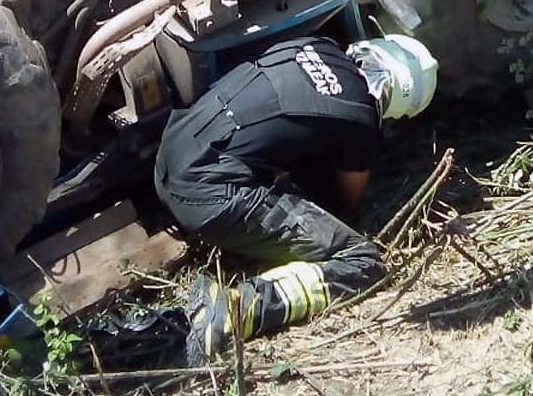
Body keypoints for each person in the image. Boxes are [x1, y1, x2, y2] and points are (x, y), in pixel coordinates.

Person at [156, 31, 439, 364]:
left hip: (172, 152)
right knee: (362, 261)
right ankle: (237, 308)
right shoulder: (359, 117)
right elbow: (346, 201)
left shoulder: (317, 44)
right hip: (207, 195)